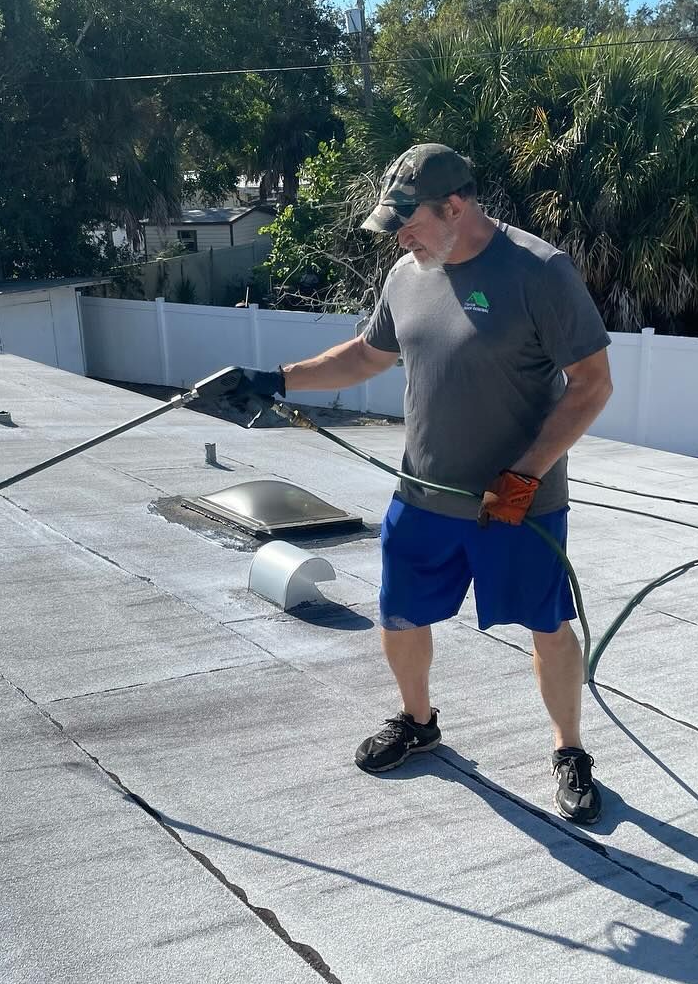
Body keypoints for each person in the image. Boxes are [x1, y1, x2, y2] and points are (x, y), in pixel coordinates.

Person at [229, 143, 613, 823]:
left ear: (456, 207)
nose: (399, 238)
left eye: (409, 224)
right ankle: (417, 720)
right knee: (400, 615)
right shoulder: (409, 275)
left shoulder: (541, 272)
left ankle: (569, 750)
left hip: (517, 507)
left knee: (548, 626)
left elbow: (591, 386)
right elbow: (365, 355)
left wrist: (524, 475)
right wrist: (276, 380)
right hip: (422, 495)